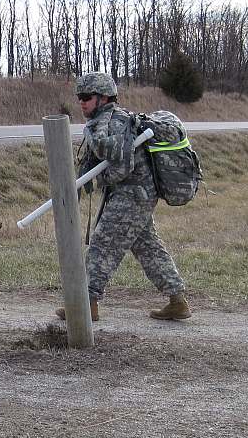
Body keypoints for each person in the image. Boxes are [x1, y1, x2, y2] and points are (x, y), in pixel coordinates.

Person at [55, 72, 191, 321]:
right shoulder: (108, 119)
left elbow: (121, 166)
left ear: (104, 97)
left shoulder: (112, 121)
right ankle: (177, 300)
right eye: (79, 97)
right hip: (137, 193)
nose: (82, 102)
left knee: (103, 244)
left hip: (131, 193)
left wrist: (102, 175)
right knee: (148, 246)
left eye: (86, 97)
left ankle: (87, 305)